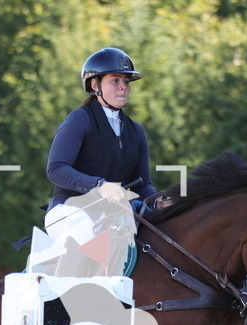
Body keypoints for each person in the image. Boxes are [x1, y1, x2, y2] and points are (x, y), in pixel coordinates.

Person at [29, 47, 160, 277]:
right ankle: (61, 307)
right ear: (94, 85)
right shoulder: (80, 119)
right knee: (86, 234)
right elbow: (56, 169)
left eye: (126, 81)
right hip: (70, 210)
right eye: (115, 80)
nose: (123, 86)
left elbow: (143, 185)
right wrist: (99, 186)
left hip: (114, 216)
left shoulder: (135, 131)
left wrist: (161, 201)